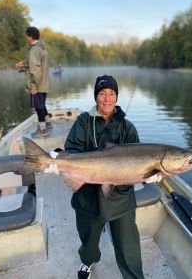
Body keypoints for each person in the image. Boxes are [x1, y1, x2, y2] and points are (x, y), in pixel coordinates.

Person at [59, 75, 160, 279]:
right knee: (89, 242)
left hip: (120, 199)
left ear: (116, 97)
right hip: (87, 197)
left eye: (112, 94)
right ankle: (88, 262)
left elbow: (137, 164)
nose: (107, 99)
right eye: (102, 93)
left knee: (128, 246)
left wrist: (147, 176)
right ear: (96, 96)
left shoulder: (128, 127)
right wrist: (59, 161)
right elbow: (72, 150)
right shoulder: (83, 121)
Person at [16, 26, 51, 138]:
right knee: (42, 104)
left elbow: (35, 70)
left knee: (38, 106)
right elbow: (36, 63)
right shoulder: (42, 48)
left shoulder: (34, 50)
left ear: (29, 36)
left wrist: (34, 86)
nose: (26, 38)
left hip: (37, 84)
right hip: (44, 82)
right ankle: (48, 123)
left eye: (26, 35)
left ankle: (43, 129)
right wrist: (25, 63)